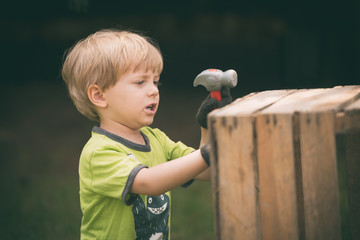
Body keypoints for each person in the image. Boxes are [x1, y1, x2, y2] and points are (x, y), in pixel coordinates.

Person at [61, 29, 232, 240]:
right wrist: (207, 153)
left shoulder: (156, 139)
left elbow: (205, 171)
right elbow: (148, 183)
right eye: (140, 82)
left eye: (155, 81)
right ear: (99, 95)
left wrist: (207, 127)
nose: (154, 90)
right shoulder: (99, 152)